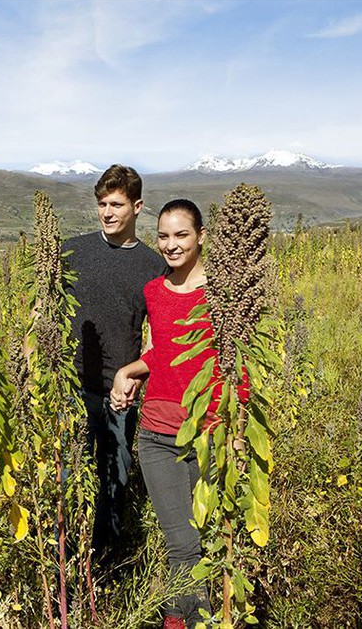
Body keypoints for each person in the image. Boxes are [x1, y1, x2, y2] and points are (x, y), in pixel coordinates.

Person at [111, 199, 241, 628]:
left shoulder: (224, 294)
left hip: (207, 434)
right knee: (181, 543)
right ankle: (182, 620)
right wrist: (130, 370)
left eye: (181, 234)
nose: (171, 244)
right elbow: (165, 353)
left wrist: (237, 431)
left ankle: (195, 617)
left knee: (202, 541)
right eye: (163, 236)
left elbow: (236, 361)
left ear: (201, 236)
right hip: (155, 436)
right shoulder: (154, 292)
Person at [62, 164, 166, 567]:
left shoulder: (152, 266)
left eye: (117, 204)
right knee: (69, 475)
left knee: (114, 480)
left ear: (137, 207)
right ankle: (67, 563)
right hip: (69, 385)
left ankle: (105, 568)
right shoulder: (73, 250)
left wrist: (138, 374)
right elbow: (43, 310)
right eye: (102, 203)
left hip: (118, 393)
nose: (107, 212)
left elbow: (158, 335)